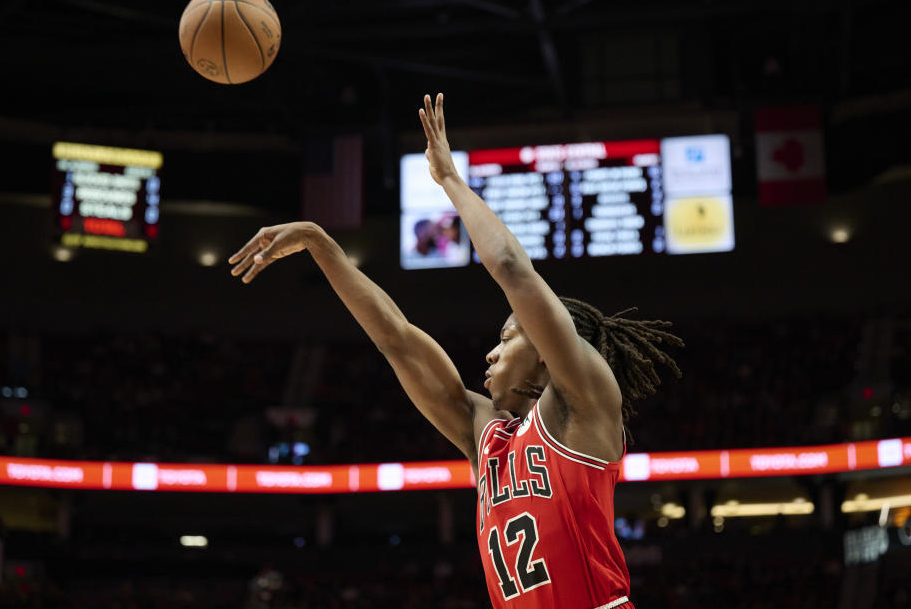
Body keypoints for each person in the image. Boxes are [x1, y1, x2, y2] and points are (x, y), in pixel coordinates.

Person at [229, 93, 683, 609]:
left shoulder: (586, 403)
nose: (490, 354)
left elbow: (512, 268)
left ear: (546, 353)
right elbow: (396, 339)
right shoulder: (485, 434)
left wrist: (448, 179)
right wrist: (321, 245)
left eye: (508, 337)